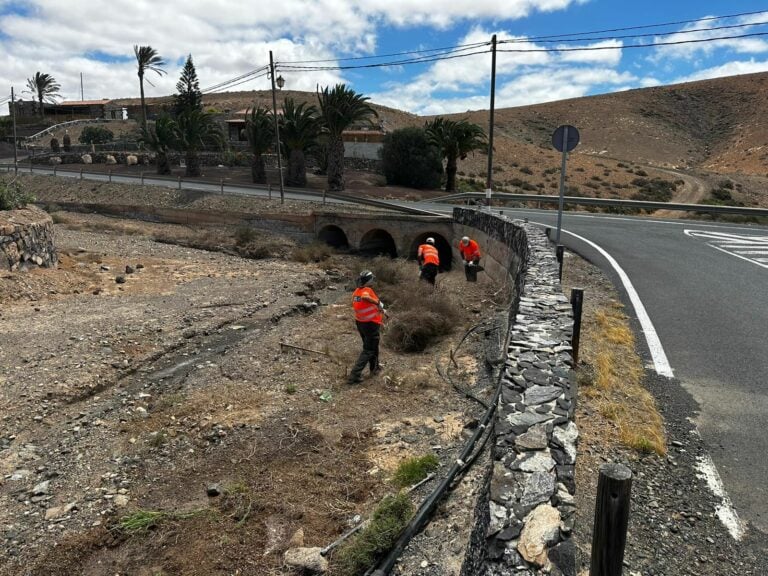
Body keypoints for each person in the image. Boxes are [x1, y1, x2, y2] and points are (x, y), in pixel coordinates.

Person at [347, 270, 385, 384]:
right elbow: (366, 298)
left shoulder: (356, 292)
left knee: (373, 346)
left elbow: (361, 303)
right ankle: (354, 374)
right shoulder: (366, 291)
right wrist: (377, 302)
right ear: (369, 280)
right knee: (368, 350)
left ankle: (375, 368)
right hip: (370, 324)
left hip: (361, 323)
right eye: (372, 279)